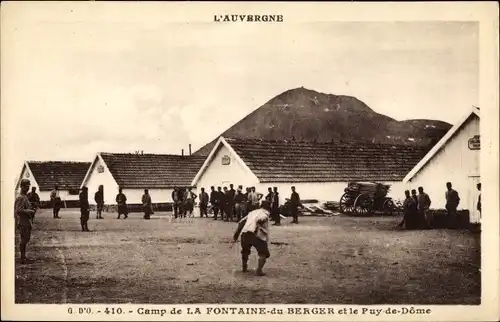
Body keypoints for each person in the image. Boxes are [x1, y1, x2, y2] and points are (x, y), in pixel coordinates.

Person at [233, 200, 272, 276]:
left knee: (245, 251)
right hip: (256, 234)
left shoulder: (252, 212)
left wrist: (237, 233)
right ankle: (259, 271)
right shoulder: (265, 213)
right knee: (263, 253)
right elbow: (262, 218)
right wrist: (260, 222)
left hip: (245, 233)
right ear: (268, 207)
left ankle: (244, 268)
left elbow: (241, 222)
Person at [15, 179, 36, 264]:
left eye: (28, 186)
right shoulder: (20, 197)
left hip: (26, 221)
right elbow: (18, 210)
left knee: (26, 239)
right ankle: (22, 258)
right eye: (26, 186)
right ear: (22, 187)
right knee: (24, 240)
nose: (28, 188)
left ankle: (23, 257)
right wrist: (30, 211)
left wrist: (32, 206)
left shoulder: (24, 196)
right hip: (23, 221)